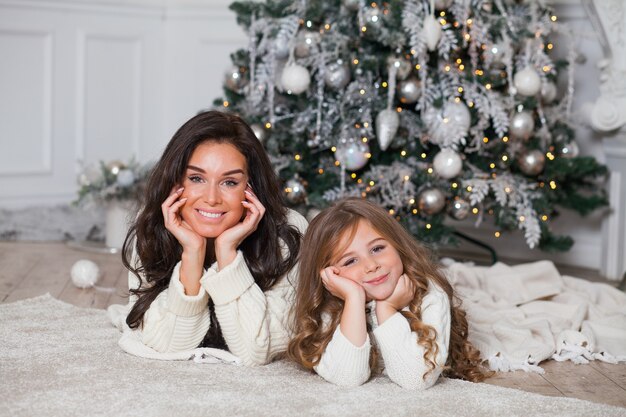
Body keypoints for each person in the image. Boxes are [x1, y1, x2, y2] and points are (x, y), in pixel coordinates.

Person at [121, 110, 307, 366]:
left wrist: (227, 253)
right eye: (196, 178)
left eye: (229, 182)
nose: (211, 198)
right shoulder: (155, 226)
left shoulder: (287, 232)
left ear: (251, 189)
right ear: (176, 183)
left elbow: (254, 351)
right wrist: (192, 254)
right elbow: (167, 346)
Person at [287, 197, 488, 389]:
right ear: (329, 275)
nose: (371, 265)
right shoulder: (329, 304)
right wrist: (354, 299)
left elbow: (416, 378)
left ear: (397, 245)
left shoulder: (430, 295)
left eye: (377, 248)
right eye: (350, 261)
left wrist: (387, 309)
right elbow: (347, 377)